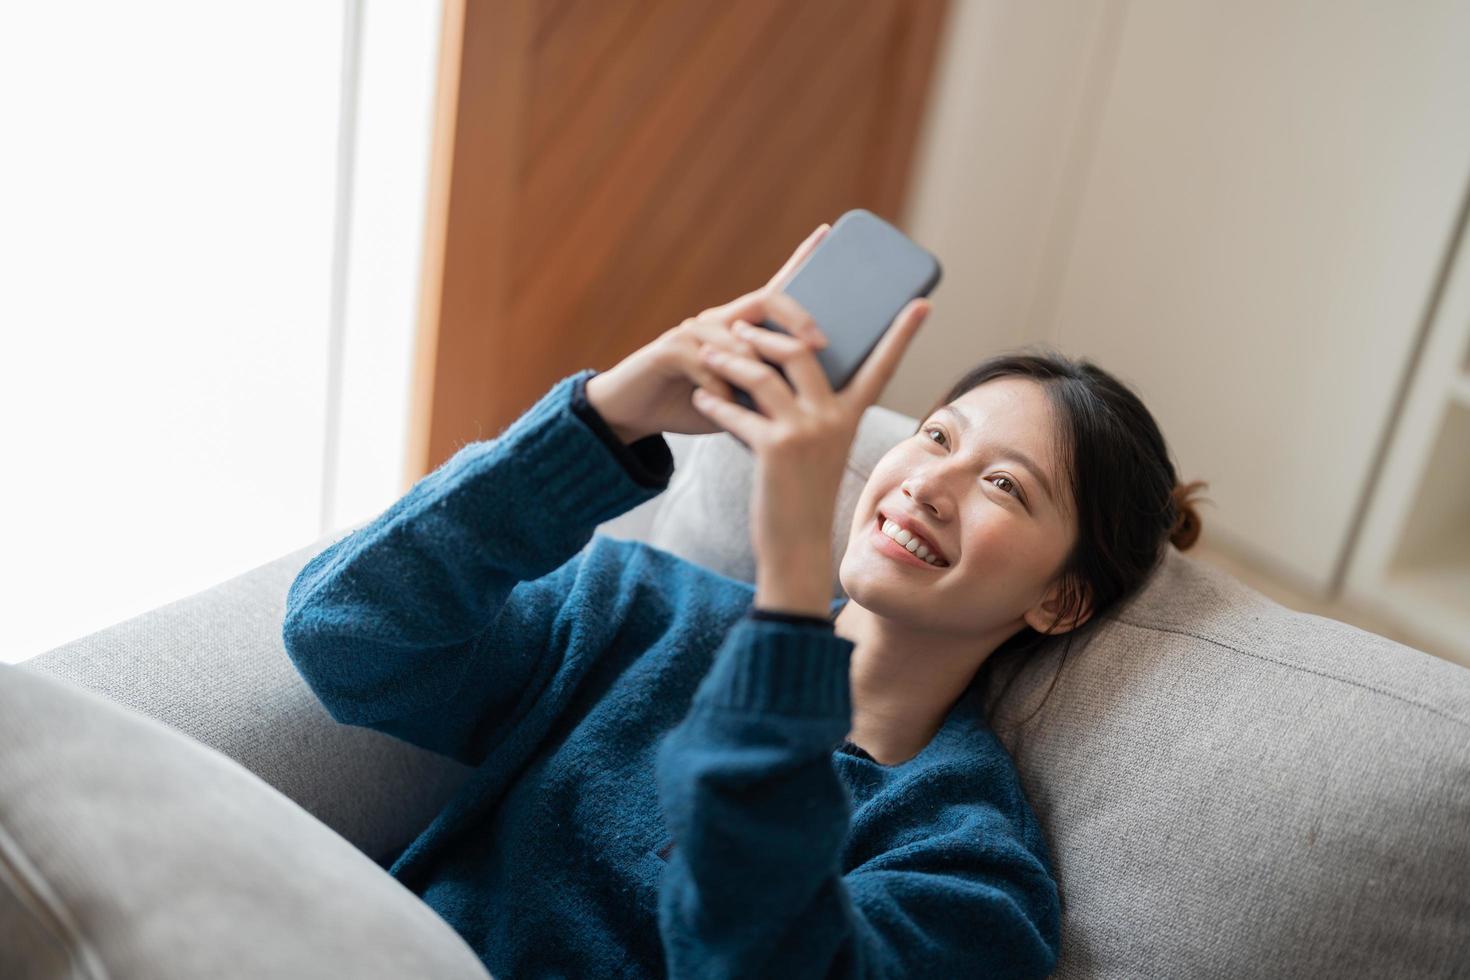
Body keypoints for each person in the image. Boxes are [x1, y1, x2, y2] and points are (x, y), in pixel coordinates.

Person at [281, 224, 1206, 979]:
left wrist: (796, 568)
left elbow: (744, 954)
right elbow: (346, 637)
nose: (930, 484)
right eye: (935, 436)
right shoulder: (642, 610)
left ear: (1062, 602)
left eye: (1005, 487)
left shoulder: (970, 870)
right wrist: (608, 416)